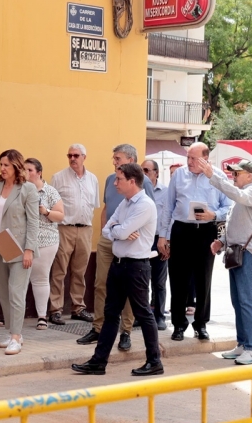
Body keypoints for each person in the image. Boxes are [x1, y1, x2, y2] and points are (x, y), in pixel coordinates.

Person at [70, 163, 162, 377]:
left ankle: (154, 361)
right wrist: (117, 230)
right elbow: (107, 228)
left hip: (136, 267)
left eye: (119, 179)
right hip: (119, 264)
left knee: (143, 313)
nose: (114, 183)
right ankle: (98, 361)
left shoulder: (145, 205)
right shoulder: (125, 203)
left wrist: (118, 230)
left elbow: (121, 231)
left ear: (132, 181)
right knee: (110, 314)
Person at [79, 144, 155, 350]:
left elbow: (146, 214)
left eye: (118, 158)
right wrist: (108, 230)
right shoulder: (110, 181)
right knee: (100, 283)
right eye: (114, 158)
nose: (114, 162)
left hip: (130, 241)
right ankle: (98, 328)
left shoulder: (144, 183)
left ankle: (126, 332)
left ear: (130, 160)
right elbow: (107, 210)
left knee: (129, 292)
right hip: (109, 238)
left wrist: (118, 229)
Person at [159, 144, 232, 342]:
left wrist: (214, 214)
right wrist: (163, 236)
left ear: (206, 159)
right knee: (178, 279)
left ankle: (201, 324)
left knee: (203, 280)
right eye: (188, 157)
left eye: (194, 158)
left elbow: (230, 206)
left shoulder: (217, 177)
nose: (189, 162)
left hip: (206, 232)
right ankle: (178, 324)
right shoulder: (179, 175)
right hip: (181, 230)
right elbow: (168, 206)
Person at [204, 158, 252, 365]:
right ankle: (243, 344)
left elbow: (238, 196)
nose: (233, 176)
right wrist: (221, 242)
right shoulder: (242, 197)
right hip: (237, 252)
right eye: (232, 173)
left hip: (247, 254)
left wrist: (213, 176)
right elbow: (237, 226)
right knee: (239, 301)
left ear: (250, 175)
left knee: (247, 301)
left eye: (237, 173)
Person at [0, 149, 39, 355]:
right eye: (0, 165)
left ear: (16, 166)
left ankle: (16, 336)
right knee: (4, 293)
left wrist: (29, 250)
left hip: (21, 248)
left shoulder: (28, 189)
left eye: (6, 165)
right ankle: (12, 332)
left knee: (16, 292)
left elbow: (34, 222)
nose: (2, 168)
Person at [48, 144, 99, 326]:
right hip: (64, 228)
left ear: (84, 156)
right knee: (59, 270)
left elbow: (94, 205)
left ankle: (78, 307)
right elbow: (50, 204)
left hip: (85, 229)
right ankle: (55, 309)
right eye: (69, 155)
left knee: (80, 271)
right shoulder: (58, 178)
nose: (72, 158)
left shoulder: (92, 179)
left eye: (76, 155)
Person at [25, 158, 65, 330]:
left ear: (39, 172)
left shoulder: (50, 191)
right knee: (18, 278)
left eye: (30, 170)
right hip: (23, 239)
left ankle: (42, 316)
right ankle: (12, 316)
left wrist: (46, 211)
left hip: (46, 240)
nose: (26, 173)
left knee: (40, 278)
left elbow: (61, 215)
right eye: (24, 170)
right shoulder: (20, 190)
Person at [143, 159, 169, 330]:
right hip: (142, 240)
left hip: (159, 240)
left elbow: (170, 217)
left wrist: (167, 240)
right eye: (142, 170)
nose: (144, 173)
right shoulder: (138, 192)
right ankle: (142, 316)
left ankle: (159, 316)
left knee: (159, 282)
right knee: (141, 280)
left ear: (156, 172)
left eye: (147, 170)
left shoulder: (166, 192)